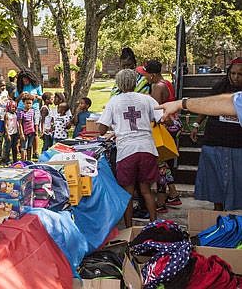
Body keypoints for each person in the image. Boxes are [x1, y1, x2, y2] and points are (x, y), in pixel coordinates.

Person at [98, 69, 160, 227]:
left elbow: (101, 129)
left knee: (127, 194)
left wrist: (117, 127)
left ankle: (129, 229)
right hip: (147, 148)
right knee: (146, 191)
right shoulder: (147, 99)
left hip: (127, 151)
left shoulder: (114, 101)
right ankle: (155, 225)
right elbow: (160, 118)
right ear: (136, 81)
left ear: (118, 83)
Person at [183, 58, 242, 211]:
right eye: (233, 73)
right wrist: (196, 124)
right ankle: (218, 212)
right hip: (215, 139)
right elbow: (206, 107)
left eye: (240, 74)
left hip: (237, 143)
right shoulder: (219, 87)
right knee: (216, 180)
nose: (236, 77)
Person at [138, 60, 181, 213]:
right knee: (164, 163)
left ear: (153, 74)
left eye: (146, 75)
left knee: (160, 165)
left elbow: (154, 110)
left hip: (164, 127)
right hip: (173, 124)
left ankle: (161, 202)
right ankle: (173, 194)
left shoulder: (158, 87)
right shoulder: (167, 83)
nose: (145, 78)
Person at [14, 70, 43, 159]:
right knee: (22, 131)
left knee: (34, 131)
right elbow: (16, 100)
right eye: (23, 80)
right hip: (21, 110)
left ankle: (35, 151)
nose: (25, 81)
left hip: (34, 109)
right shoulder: (19, 87)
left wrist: (36, 97)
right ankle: (22, 149)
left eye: (26, 80)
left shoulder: (36, 85)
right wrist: (21, 95)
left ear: (30, 78)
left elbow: (41, 97)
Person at [18, 94, 38, 161]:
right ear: (23, 103)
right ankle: (23, 161)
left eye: (30, 103)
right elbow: (20, 124)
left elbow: (33, 121)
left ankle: (29, 160)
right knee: (24, 147)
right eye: (27, 103)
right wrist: (21, 134)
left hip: (31, 132)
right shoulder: (21, 112)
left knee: (30, 146)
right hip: (24, 133)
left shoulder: (32, 111)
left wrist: (35, 130)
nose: (28, 105)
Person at [2, 100, 19, 164]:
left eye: (15, 107)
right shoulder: (7, 114)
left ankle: (15, 160)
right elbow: (5, 125)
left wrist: (18, 132)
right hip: (9, 133)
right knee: (8, 147)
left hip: (15, 132)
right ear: (8, 107)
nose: (14, 109)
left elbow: (16, 123)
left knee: (14, 147)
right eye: (12, 107)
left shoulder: (15, 114)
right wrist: (7, 134)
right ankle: (6, 160)